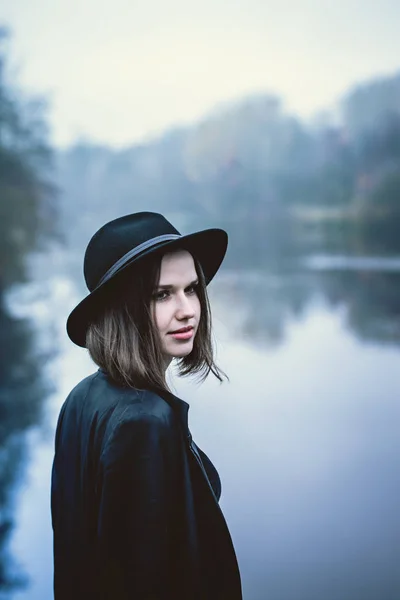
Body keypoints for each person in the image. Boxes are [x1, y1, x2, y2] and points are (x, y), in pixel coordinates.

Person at [51, 211, 242, 600]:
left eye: (191, 289)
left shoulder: (82, 397)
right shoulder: (143, 421)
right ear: (124, 308)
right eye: (162, 294)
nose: (187, 309)